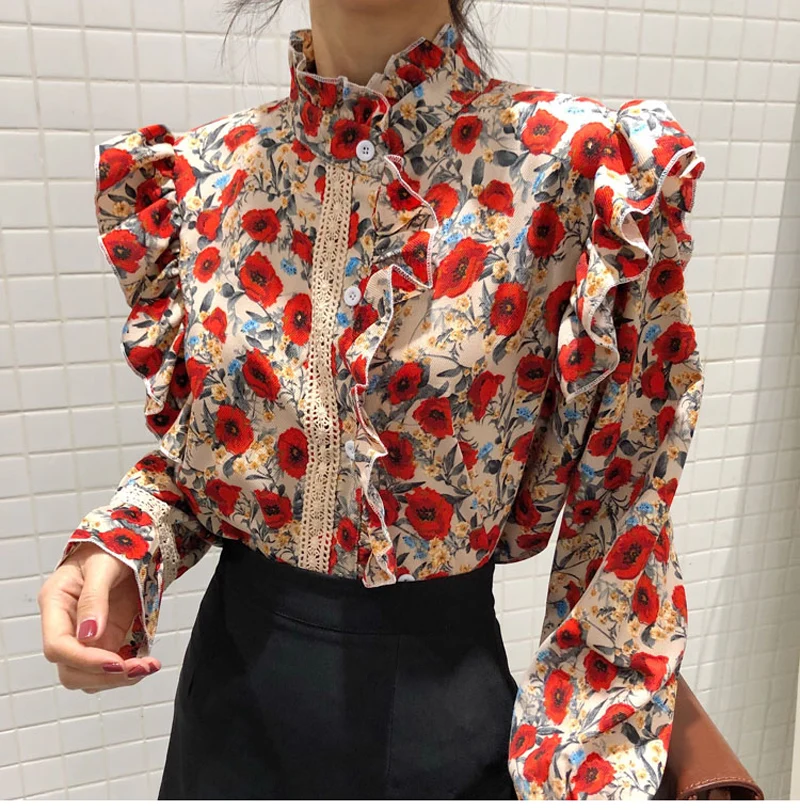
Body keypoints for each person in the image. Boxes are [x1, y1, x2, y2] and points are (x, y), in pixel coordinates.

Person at [36, 0, 707, 800]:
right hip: (225, 722)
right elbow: (211, 461)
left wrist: (590, 767)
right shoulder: (207, 173)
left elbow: (623, 515)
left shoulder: (576, 172)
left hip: (440, 737)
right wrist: (122, 549)